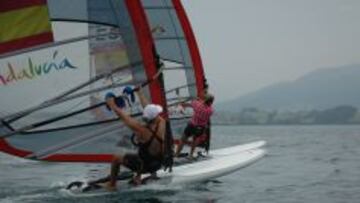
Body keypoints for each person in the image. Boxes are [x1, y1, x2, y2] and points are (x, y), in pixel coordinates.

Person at [102, 88, 166, 191]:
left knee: (117, 158)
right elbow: (148, 109)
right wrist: (139, 92)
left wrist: (111, 104)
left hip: (145, 166)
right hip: (158, 164)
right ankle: (139, 176)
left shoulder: (140, 130)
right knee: (140, 150)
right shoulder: (162, 123)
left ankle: (112, 185)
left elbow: (122, 115)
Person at [175, 93, 214, 158]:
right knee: (195, 140)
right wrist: (202, 101)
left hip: (192, 125)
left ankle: (176, 155)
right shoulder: (210, 110)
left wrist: (182, 102)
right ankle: (191, 155)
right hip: (200, 128)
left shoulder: (197, 104)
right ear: (210, 102)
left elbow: (187, 104)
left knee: (183, 140)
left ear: (205, 99)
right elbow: (208, 106)